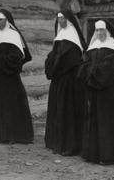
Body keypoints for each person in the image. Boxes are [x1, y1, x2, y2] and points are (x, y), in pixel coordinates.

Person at [79, 20, 114, 164]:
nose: (99, 33)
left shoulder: (113, 48)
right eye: (97, 31)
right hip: (94, 89)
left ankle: (108, 155)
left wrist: (92, 73)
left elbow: (109, 68)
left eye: (102, 30)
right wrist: (90, 73)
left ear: (107, 31)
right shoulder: (92, 48)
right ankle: (93, 154)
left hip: (108, 90)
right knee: (94, 120)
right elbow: (84, 64)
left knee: (107, 122)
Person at [0, 9, 34, 144]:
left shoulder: (14, 36)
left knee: (10, 106)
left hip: (9, 79)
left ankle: (10, 134)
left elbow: (15, 58)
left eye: (1, 20)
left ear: (7, 21)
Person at [44, 11, 86, 156]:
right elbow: (53, 56)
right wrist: (52, 63)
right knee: (58, 109)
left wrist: (54, 64)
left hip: (70, 81)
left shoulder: (72, 37)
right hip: (59, 80)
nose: (60, 21)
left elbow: (68, 59)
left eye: (63, 18)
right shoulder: (60, 36)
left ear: (69, 20)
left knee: (68, 110)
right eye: (59, 18)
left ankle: (70, 145)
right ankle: (56, 141)